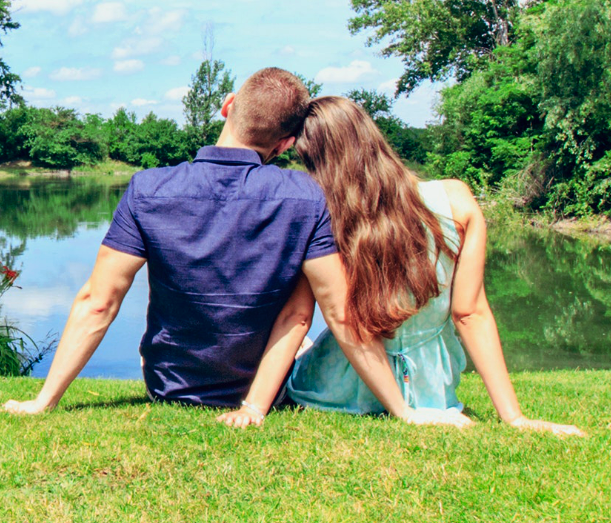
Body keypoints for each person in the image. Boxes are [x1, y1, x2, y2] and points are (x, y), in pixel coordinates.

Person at [1, 69, 466, 423]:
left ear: (227, 106)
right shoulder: (306, 197)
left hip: (169, 388)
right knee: (301, 332)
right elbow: (336, 314)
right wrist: (404, 411)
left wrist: (44, 401)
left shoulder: (148, 189)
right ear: (286, 143)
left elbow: (98, 303)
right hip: (263, 391)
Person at [217, 96, 583, 435]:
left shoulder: (322, 216)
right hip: (430, 392)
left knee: (306, 341)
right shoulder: (456, 200)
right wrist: (514, 418)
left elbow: (298, 316)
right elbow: (470, 314)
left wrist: (254, 406)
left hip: (334, 390)